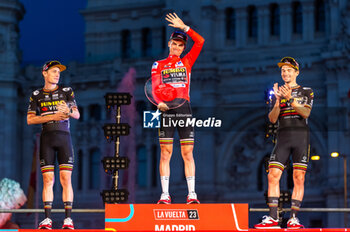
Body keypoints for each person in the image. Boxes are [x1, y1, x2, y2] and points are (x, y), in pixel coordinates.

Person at [151, 13, 205, 204]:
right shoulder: (158, 64)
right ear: (169, 44)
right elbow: (155, 87)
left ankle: (192, 194)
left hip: (184, 108)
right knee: (165, 152)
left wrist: (184, 28)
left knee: (187, 152)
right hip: (166, 110)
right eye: (174, 43)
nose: (177, 47)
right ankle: (165, 194)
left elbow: (200, 41)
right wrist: (158, 102)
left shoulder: (187, 61)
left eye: (181, 44)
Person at [255, 57, 314, 229]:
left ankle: (293, 218)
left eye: (289, 70)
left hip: (300, 138)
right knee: (272, 175)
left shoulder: (306, 91)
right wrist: (278, 102)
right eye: (283, 70)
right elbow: (272, 119)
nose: (285, 73)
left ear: (297, 72)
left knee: (299, 178)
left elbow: (305, 113)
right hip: (282, 138)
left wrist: (290, 99)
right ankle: (273, 217)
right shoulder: (276, 93)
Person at [27, 61, 80, 229]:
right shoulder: (36, 94)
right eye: (54, 71)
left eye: (59, 72)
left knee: (66, 178)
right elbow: (30, 119)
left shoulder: (67, 91)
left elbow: (77, 114)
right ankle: (47, 219)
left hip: (64, 137)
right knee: (48, 179)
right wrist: (52, 117)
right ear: (45, 73)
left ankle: (68, 219)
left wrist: (68, 112)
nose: (57, 74)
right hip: (46, 138)